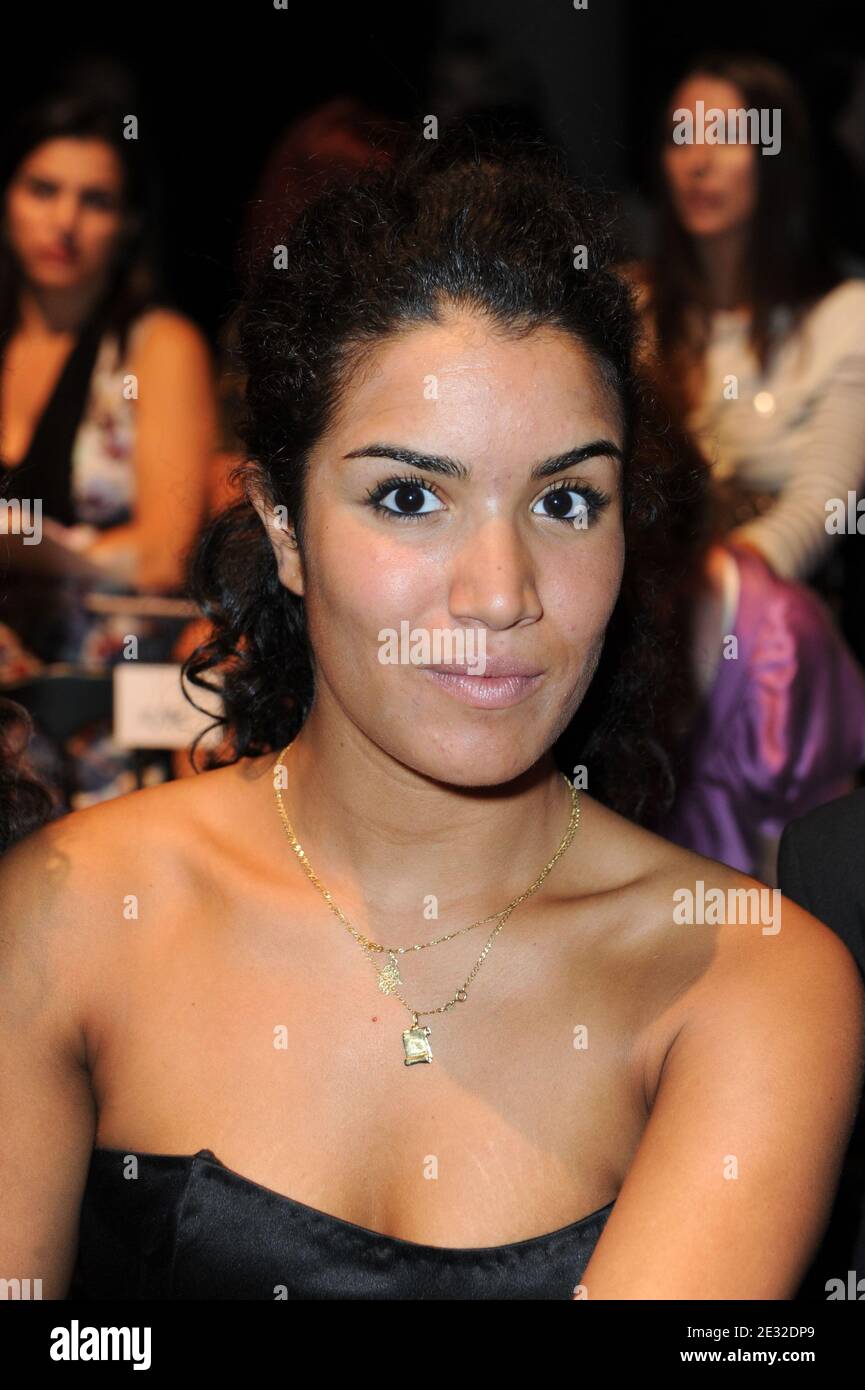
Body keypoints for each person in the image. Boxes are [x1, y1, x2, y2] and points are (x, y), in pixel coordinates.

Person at [1, 131, 862, 1302]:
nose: (500, 592)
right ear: (286, 526)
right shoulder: (71, 916)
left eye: (566, 499)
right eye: (409, 496)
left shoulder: (750, 979)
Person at [0, 66, 218, 809]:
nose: (63, 222)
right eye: (41, 189)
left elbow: (165, 555)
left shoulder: (157, 345)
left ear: (127, 222)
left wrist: (50, 550)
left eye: (94, 201)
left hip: (99, 710)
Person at [626, 52, 865, 588]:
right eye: (681, 136)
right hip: (647, 618)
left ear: (776, 156)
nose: (699, 160)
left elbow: (820, 510)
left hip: (770, 626)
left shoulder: (847, 319)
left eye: (727, 135)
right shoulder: (630, 307)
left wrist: (710, 598)